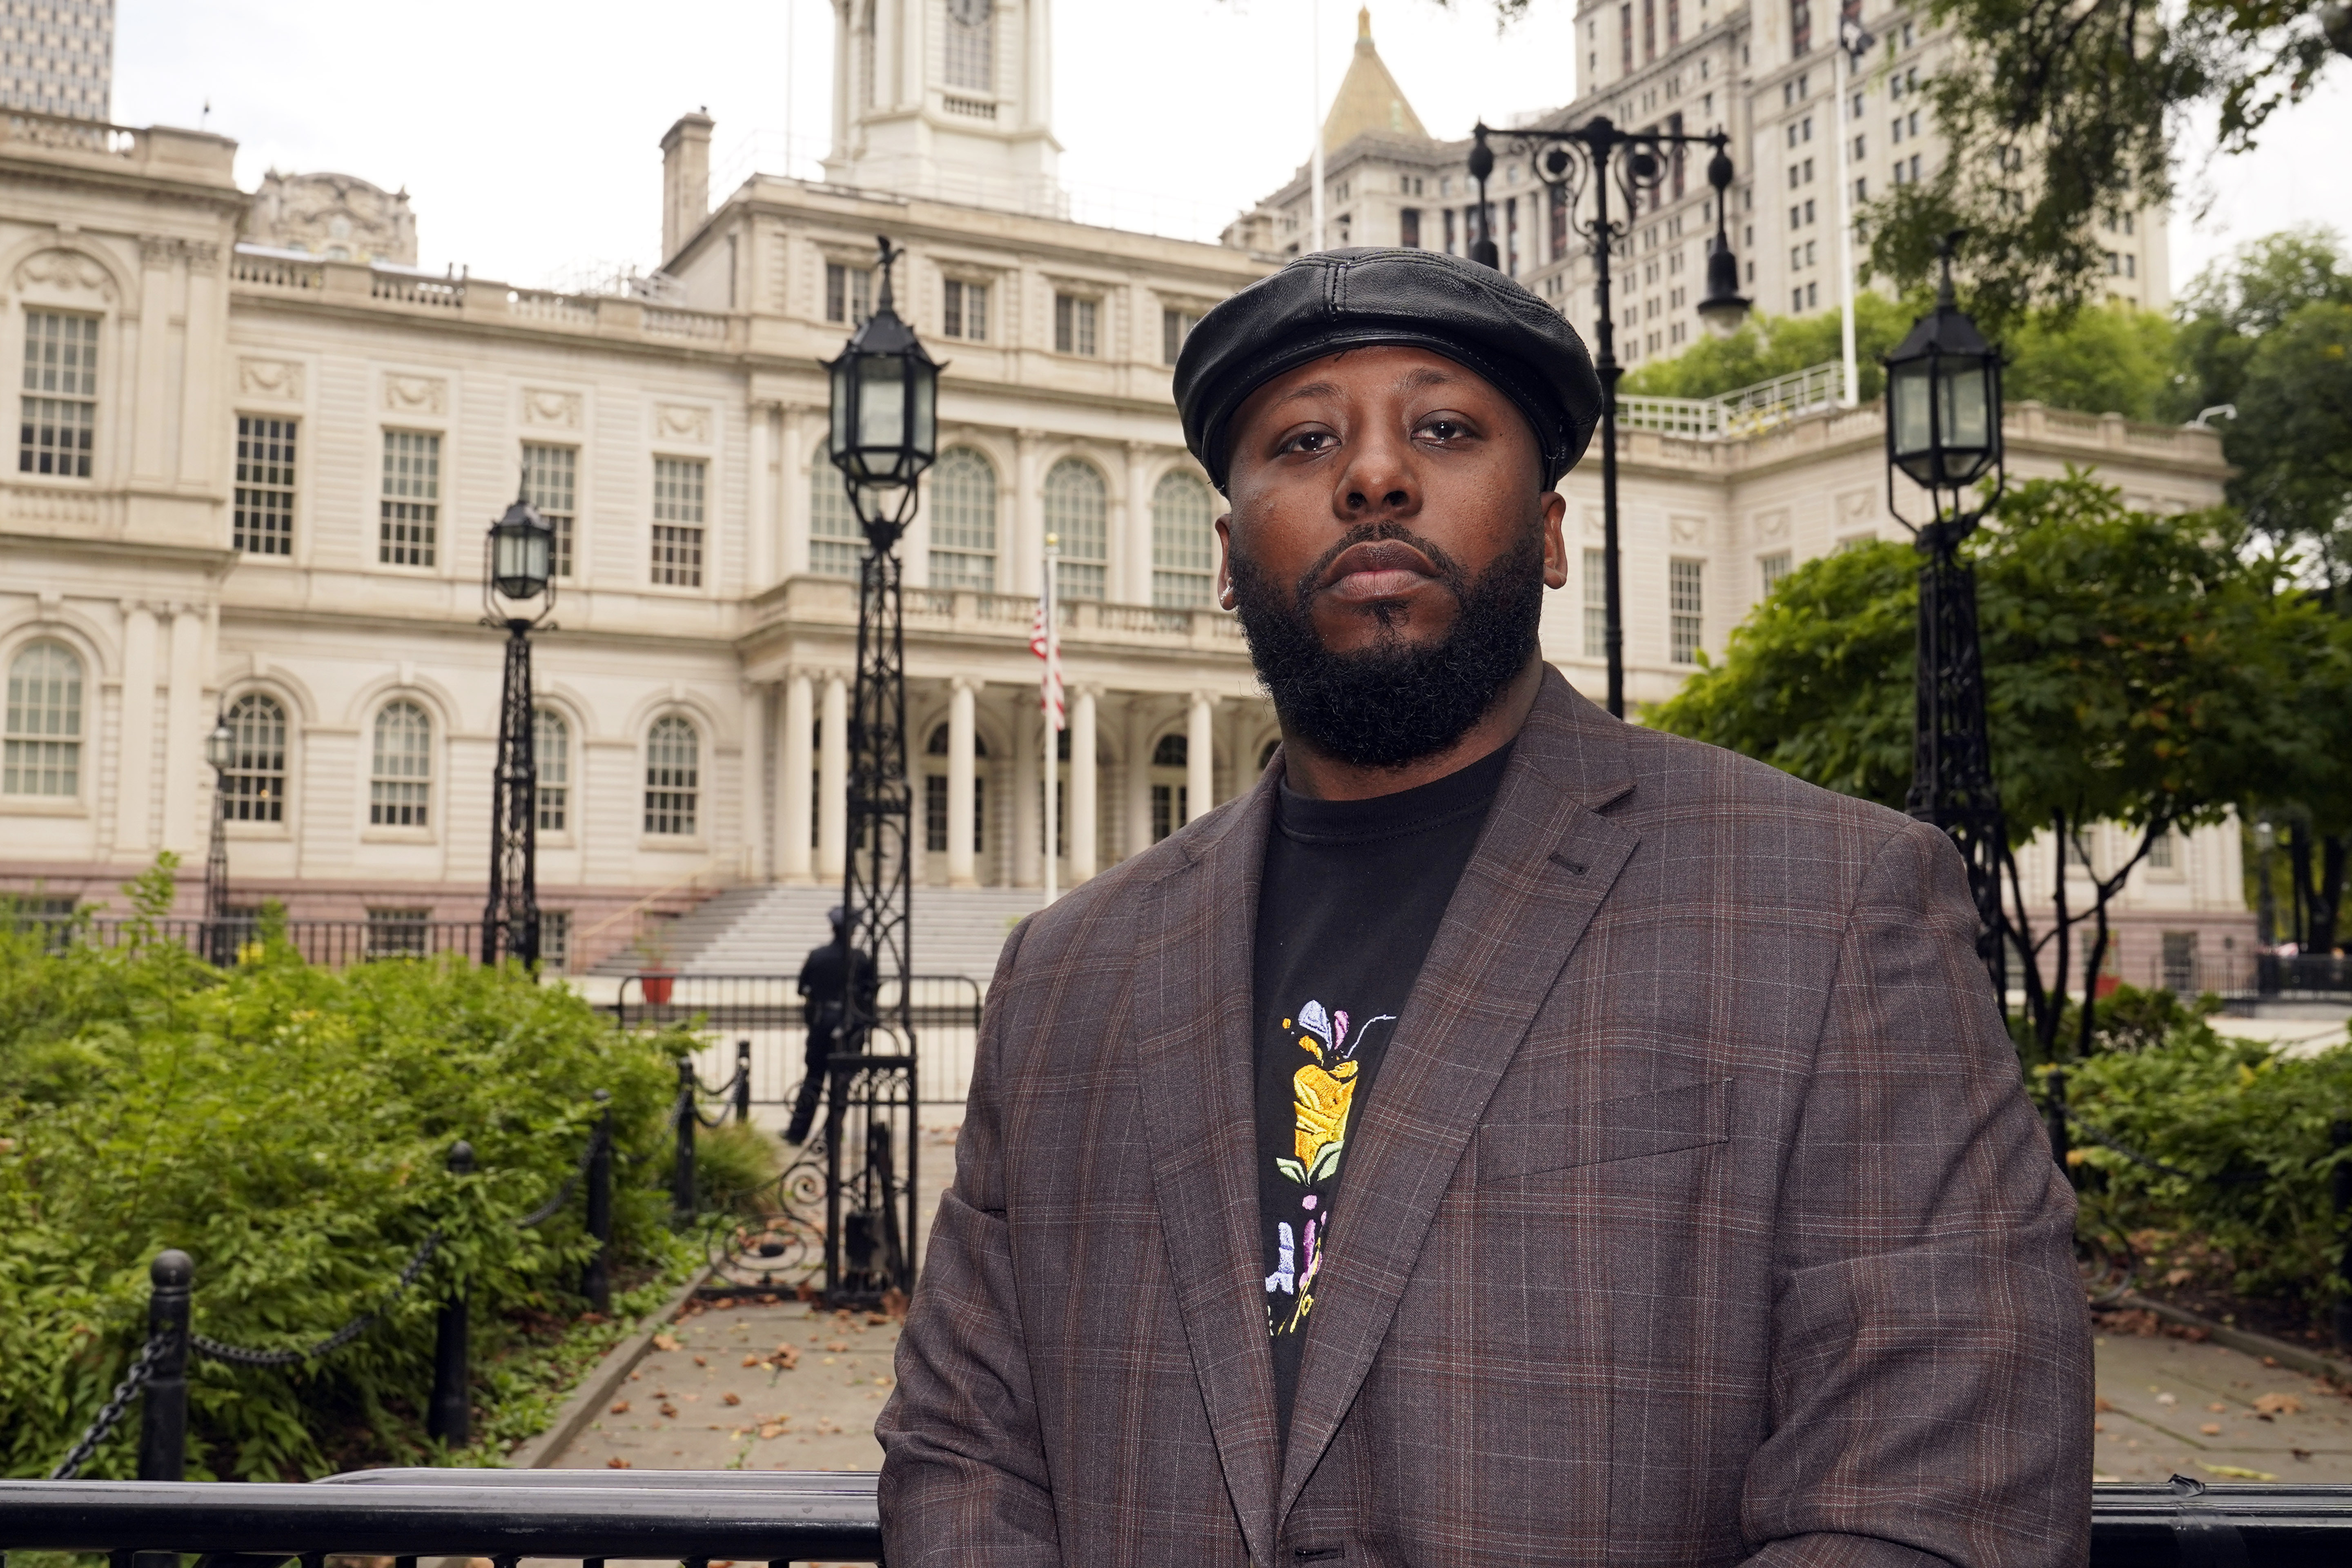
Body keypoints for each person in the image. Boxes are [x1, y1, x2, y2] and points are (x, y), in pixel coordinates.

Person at [878, 247, 2089, 1568]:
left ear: (1555, 533)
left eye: (1445, 428)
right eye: (1303, 439)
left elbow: (1934, 1499)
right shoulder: (1070, 970)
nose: (1376, 475)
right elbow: (963, 1451)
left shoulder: (1832, 908)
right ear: (1225, 556)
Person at [787, 906, 874, 1147]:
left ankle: (797, 1132)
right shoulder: (861, 959)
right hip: (850, 1026)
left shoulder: (818, 956)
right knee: (842, 1082)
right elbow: (870, 995)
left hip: (822, 1022)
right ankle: (832, 1134)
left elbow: (802, 988)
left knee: (813, 1078)